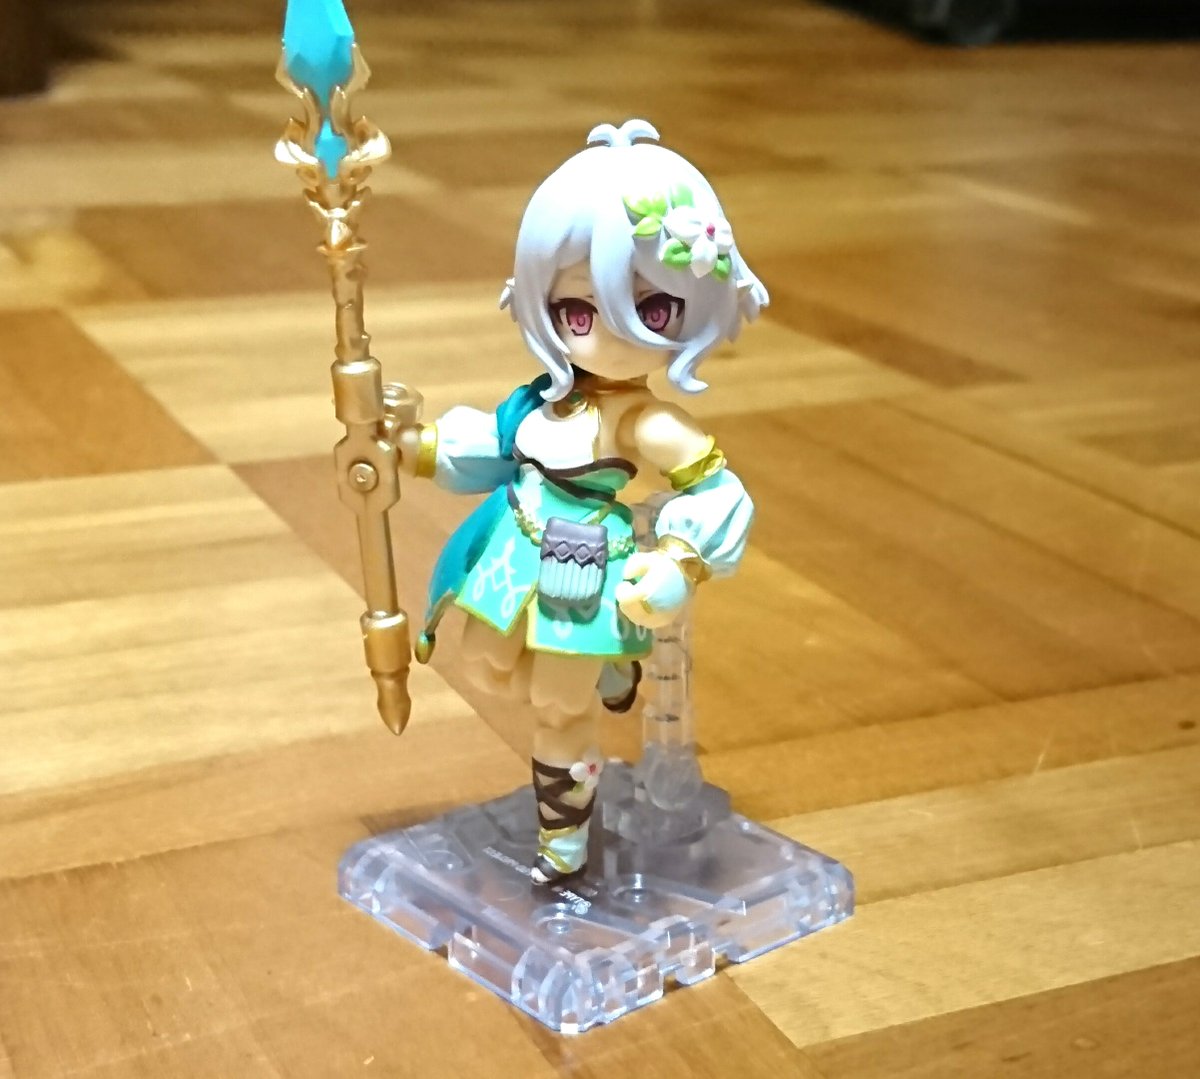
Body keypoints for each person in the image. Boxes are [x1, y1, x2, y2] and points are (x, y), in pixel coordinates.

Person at [397, 119, 765, 883]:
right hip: (509, 556)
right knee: (488, 667)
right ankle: (604, 679)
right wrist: (406, 445)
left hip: (582, 575)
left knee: (558, 711)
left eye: (651, 310)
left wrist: (679, 562)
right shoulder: (544, 399)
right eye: (577, 312)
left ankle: (561, 838)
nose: (604, 336)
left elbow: (716, 488)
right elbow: (490, 445)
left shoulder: (642, 420)